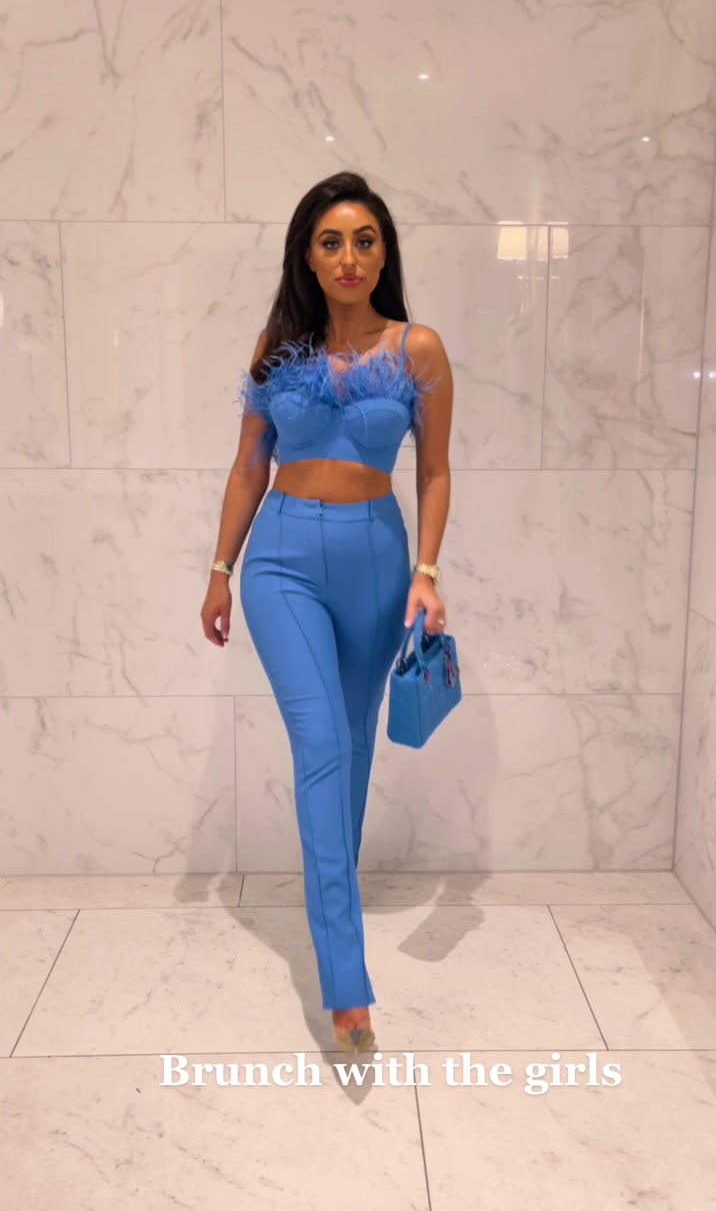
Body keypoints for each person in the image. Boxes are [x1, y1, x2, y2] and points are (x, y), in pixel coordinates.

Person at [200, 170, 453, 1056]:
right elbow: (248, 467)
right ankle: (345, 981)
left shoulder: (418, 349)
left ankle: (331, 917)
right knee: (319, 744)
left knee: (350, 747)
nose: (349, 256)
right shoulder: (278, 348)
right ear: (307, 257)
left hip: (378, 562)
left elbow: (434, 470)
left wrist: (426, 571)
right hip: (281, 563)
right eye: (331, 241)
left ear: (384, 254)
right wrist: (220, 568)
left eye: (365, 240)